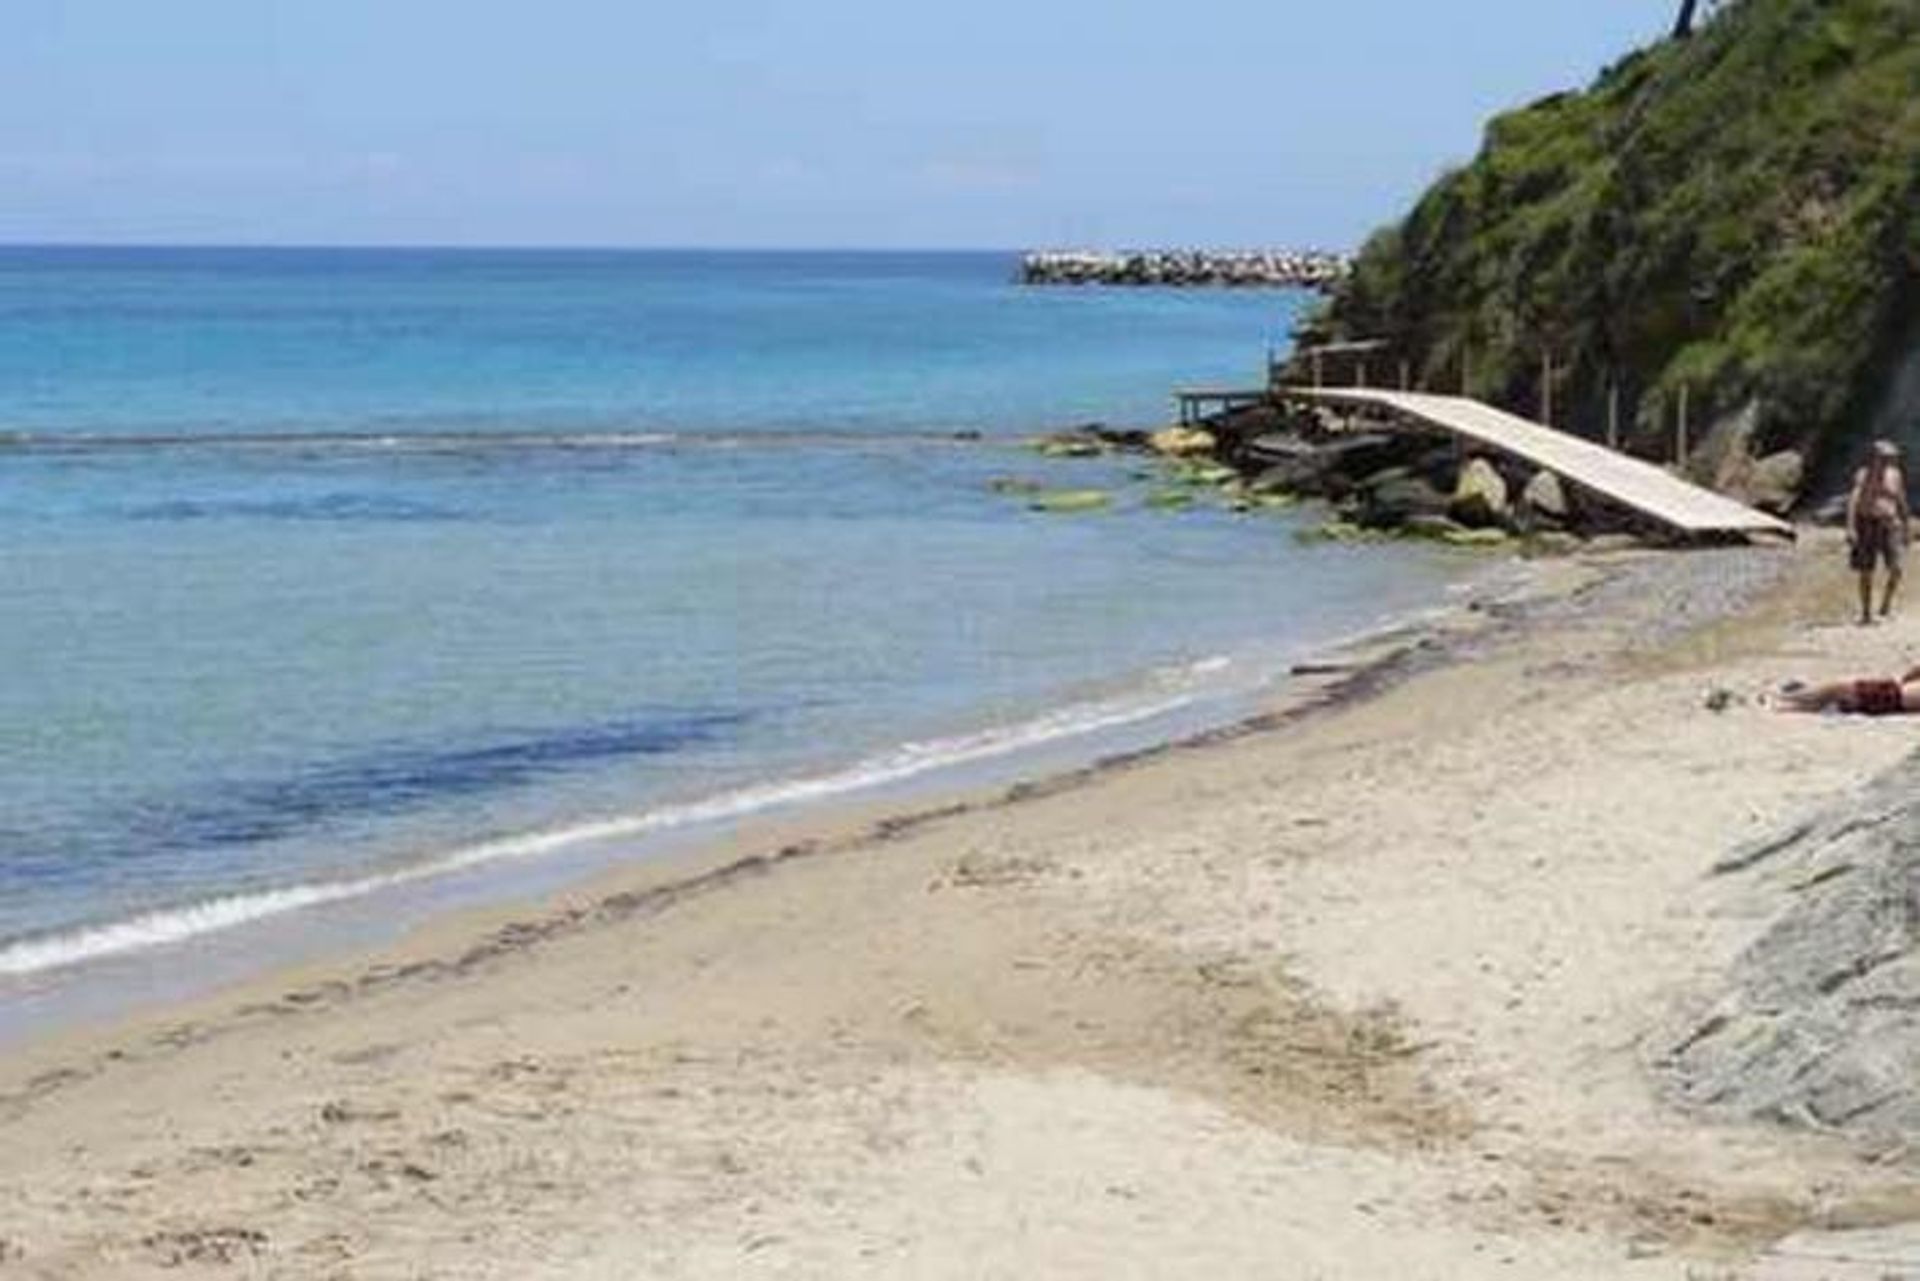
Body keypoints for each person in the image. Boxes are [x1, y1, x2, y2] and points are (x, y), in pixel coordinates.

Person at [1846, 439, 1910, 624]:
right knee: (1866, 570)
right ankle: (1866, 613)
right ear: (1874, 457)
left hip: (1890, 524)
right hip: (1866, 523)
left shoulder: (1895, 475)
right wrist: (1850, 527)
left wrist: (1907, 526)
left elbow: (1901, 500)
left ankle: (1885, 606)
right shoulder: (1863, 475)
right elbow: (1853, 501)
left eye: (1890, 458)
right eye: (1883, 457)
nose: (1887, 461)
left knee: (1896, 568)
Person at [1774, 665, 1920, 715]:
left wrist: (1905, 680)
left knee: (1836, 689)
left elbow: (1910, 675)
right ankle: (1788, 705)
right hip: (1893, 697)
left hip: (1892, 696)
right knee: (1832, 699)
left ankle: (1787, 697)